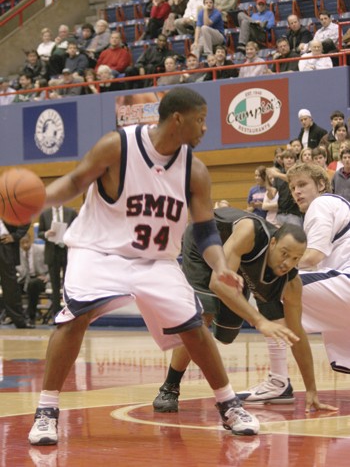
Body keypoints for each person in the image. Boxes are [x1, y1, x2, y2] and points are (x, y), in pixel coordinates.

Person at [28, 87, 261, 446]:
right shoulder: (117, 146)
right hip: (99, 252)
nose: (204, 129)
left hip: (155, 260)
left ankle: (229, 405)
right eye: (200, 120)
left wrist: (219, 266)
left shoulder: (194, 171)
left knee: (194, 327)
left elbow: (204, 231)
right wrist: (36, 199)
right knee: (73, 318)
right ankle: (46, 411)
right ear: (178, 119)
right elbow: (75, 181)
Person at [152, 206, 336, 413]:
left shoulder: (291, 283)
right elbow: (218, 284)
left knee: (225, 335)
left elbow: (297, 336)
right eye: (284, 254)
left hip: (235, 259)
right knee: (203, 316)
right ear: (273, 243)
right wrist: (259, 320)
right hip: (202, 242)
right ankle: (170, 387)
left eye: (295, 258)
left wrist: (311, 389)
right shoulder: (250, 231)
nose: (287, 263)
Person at [241, 162, 350, 402]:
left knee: (270, 282)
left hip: (346, 284)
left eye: (302, 184)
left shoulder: (321, 204)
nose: (296, 191)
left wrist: (271, 264)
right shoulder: (336, 206)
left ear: (321, 184)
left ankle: (278, 380)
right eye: (292, 187)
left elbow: (313, 256)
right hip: (341, 287)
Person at [38, 205, 78, 318]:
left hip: (67, 251)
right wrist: (46, 234)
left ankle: (70, 312)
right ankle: (56, 314)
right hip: (52, 251)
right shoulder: (45, 213)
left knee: (69, 284)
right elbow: (39, 232)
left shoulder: (71, 212)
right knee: (55, 285)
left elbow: (79, 229)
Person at [0, 219, 33, 328]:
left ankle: (19, 320)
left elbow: (26, 218)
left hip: (4, 244)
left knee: (10, 286)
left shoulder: (10, 202)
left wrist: (15, 236)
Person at [16, 233, 50, 325]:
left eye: (27, 242)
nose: (25, 245)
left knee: (32, 284)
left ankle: (31, 316)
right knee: (12, 285)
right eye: (22, 243)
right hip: (25, 278)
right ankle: (16, 316)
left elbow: (53, 264)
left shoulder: (41, 249)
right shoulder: (17, 253)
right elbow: (18, 270)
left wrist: (47, 277)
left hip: (41, 277)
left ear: (30, 240)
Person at [266, 150, 303, 227]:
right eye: (286, 158)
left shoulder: (298, 172)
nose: (289, 160)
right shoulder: (278, 175)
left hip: (294, 214)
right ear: (282, 160)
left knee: (295, 237)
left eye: (291, 158)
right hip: (280, 214)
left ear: (295, 161)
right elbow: (272, 195)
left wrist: (276, 174)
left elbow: (292, 179)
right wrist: (268, 186)